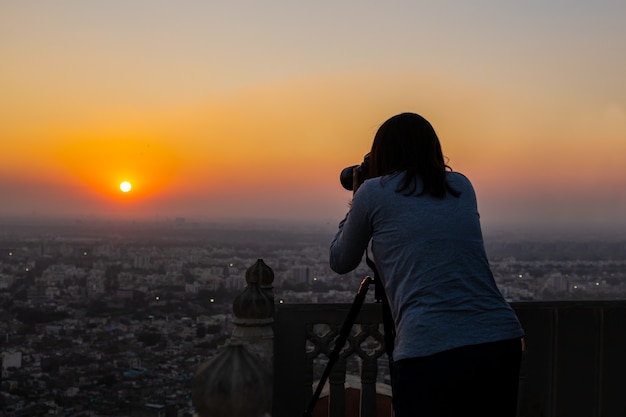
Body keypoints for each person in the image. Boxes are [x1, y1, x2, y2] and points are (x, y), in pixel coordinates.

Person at [329, 112, 525, 417]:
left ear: (382, 155)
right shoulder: (460, 185)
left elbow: (340, 260)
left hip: (429, 348)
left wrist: (357, 198)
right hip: (499, 341)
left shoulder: (373, 192)